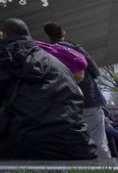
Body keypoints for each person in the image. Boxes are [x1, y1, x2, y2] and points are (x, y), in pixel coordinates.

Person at [0, 19, 95, 160]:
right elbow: (76, 98)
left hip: (21, 147)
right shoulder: (56, 63)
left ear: (5, 36)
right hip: (75, 146)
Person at [44, 22, 109, 158]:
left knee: (74, 144)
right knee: (99, 142)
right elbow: (95, 71)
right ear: (63, 33)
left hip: (65, 104)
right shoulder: (74, 48)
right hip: (89, 100)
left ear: (48, 36)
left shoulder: (47, 52)